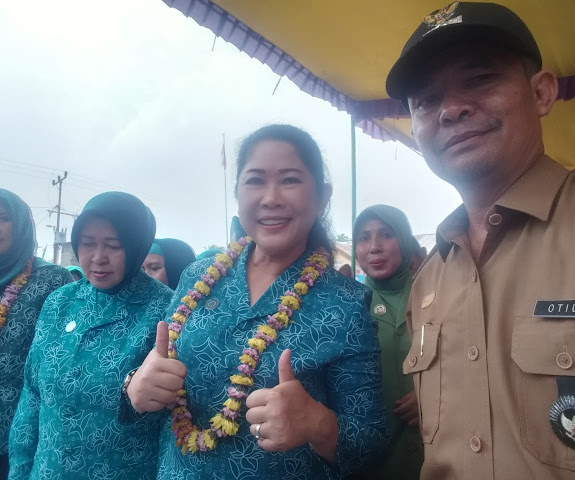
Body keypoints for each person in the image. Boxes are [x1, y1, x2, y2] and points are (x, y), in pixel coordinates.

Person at [385, 2, 575, 479]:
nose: (451, 109)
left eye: (481, 78)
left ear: (541, 92)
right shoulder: (429, 281)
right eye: (426, 100)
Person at [125, 124, 389, 479]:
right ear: (237, 192)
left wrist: (316, 423)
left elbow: (372, 444)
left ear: (322, 196)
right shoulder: (197, 277)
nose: (271, 198)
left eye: (290, 180)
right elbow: (153, 375)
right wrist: (134, 386)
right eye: (255, 181)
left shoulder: (345, 305)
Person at [9, 192, 174, 480]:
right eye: (87, 244)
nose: (98, 258)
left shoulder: (166, 310)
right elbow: (32, 396)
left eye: (113, 245)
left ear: (136, 245)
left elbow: (176, 421)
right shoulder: (60, 302)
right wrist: (20, 471)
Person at [0, 189, 72, 480]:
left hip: (22, 436)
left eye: (3, 219)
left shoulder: (53, 279)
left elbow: (64, 361)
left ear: (21, 225)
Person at [352, 205, 422, 480]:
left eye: (386, 234)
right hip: (372, 459)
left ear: (404, 240)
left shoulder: (435, 294)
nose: (374, 247)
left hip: (434, 455)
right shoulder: (347, 305)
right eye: (364, 237)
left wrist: (433, 396)